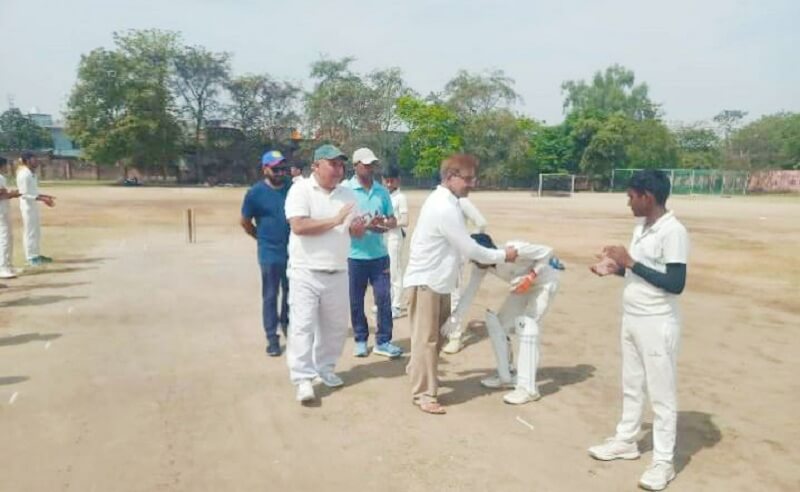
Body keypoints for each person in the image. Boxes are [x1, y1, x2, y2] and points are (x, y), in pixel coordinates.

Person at [587, 169, 689, 491]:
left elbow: (675, 283)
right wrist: (614, 269)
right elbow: (644, 274)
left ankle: (663, 462)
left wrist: (629, 263)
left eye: (631, 196)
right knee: (632, 384)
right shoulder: (641, 226)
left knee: (661, 395)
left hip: (657, 323)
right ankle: (626, 440)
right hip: (632, 317)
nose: (627, 201)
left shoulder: (673, 231)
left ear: (648, 196)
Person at [403, 153, 518, 415]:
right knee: (427, 339)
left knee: (439, 335)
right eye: (467, 179)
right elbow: (468, 246)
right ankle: (423, 392)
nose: (472, 184)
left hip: (440, 281)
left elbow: (463, 246)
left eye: (473, 178)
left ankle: (418, 371)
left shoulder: (452, 202)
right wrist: (502, 255)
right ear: (450, 177)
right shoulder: (443, 206)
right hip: (427, 281)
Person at [284, 144, 367, 404]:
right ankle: (303, 379)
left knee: (335, 327)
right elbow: (298, 226)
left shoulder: (346, 194)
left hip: (339, 269)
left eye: (341, 165)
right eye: (333, 164)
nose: (338, 169)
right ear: (316, 166)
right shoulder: (300, 190)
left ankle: (325, 368)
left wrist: (358, 227)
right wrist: (335, 219)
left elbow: (354, 232)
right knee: (303, 326)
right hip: (305, 270)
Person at [445, 233, 561, 405]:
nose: (473, 262)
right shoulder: (481, 266)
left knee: (527, 327)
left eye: (476, 257)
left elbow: (548, 252)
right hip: (521, 288)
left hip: (544, 283)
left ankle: (528, 389)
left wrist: (531, 277)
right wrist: (453, 320)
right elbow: (470, 293)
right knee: (499, 324)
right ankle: (507, 375)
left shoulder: (514, 249)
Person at [343, 148, 403, 359]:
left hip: (379, 255)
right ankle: (360, 338)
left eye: (372, 164)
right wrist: (360, 226)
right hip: (354, 256)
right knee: (356, 300)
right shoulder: (344, 190)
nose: (370, 168)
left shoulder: (381, 191)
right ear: (355, 165)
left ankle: (384, 340)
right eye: (366, 164)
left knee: (384, 298)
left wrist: (384, 224)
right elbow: (338, 222)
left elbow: (392, 219)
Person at [240, 150, 292, 357]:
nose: (280, 172)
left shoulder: (292, 189)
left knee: (292, 293)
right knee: (270, 295)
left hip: (293, 252)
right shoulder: (255, 193)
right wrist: (260, 238)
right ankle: (272, 337)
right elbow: (245, 222)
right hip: (269, 253)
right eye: (276, 169)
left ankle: (288, 326)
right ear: (265, 169)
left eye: (283, 168)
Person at [442, 196, 488, 354]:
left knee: (454, 295)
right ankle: (445, 330)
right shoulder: (439, 201)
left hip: (457, 256)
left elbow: (481, 222)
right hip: (441, 256)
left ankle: (455, 336)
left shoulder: (461, 202)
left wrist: (469, 245)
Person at [16, 151, 56, 266]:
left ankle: (36, 254)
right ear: (27, 161)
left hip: (33, 205)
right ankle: (31, 257)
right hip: (27, 207)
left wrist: (44, 196)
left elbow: (33, 192)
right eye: (34, 159)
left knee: (36, 231)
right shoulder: (24, 174)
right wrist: (42, 199)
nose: (37, 161)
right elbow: (23, 194)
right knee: (30, 232)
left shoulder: (32, 173)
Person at [382, 165, 409, 319]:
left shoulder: (400, 197)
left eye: (392, 181)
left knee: (395, 270)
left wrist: (391, 223)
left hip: (394, 237)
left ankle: (396, 305)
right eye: (386, 181)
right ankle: (386, 302)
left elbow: (405, 220)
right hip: (383, 237)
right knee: (384, 271)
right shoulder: (383, 195)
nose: (389, 184)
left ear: (398, 180)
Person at [0, 157, 21, 279]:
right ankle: (3, 267)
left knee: (7, 238)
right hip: (1, 212)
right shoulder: (0, 177)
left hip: (3, 210)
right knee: (4, 239)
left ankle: (8, 264)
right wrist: (12, 194)